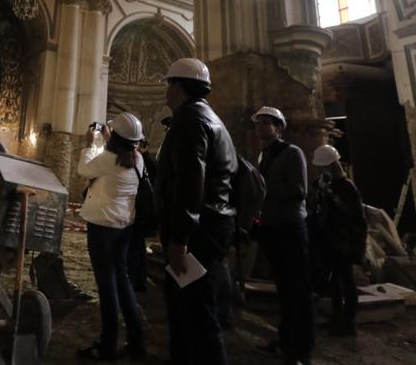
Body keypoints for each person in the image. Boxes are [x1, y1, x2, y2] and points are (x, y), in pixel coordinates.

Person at [156, 58, 237, 365]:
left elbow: (190, 183)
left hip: (198, 234)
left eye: (168, 84)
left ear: (178, 86)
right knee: (185, 304)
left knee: (196, 310)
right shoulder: (211, 118)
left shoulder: (190, 119)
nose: (166, 92)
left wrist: (179, 238)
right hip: (211, 227)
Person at [77, 113, 147, 361]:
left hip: (102, 228)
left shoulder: (108, 159)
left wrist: (88, 144)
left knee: (107, 286)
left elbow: (83, 169)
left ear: (115, 138)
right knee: (123, 280)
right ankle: (136, 340)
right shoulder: (138, 159)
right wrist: (110, 138)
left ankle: (108, 345)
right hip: (124, 226)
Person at [252, 106, 314, 365]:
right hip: (272, 228)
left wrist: (263, 186)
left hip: (290, 227)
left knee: (298, 290)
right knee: (283, 290)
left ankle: (301, 350)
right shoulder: (262, 156)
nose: (261, 127)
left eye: (267, 123)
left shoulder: (292, 153)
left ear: (279, 128)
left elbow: (299, 190)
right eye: (259, 123)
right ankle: (285, 339)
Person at [311, 144, 367, 337]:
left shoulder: (346, 187)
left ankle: (349, 323)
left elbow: (353, 213)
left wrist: (330, 195)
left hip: (345, 242)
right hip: (331, 241)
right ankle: (336, 319)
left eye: (323, 168)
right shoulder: (326, 186)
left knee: (347, 282)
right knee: (334, 282)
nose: (320, 171)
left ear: (332, 166)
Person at [128, 138, 156, 292]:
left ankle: (137, 279)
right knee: (137, 246)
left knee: (136, 247)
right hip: (142, 210)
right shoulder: (144, 161)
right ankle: (138, 278)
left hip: (143, 211)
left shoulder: (146, 162)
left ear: (144, 146)